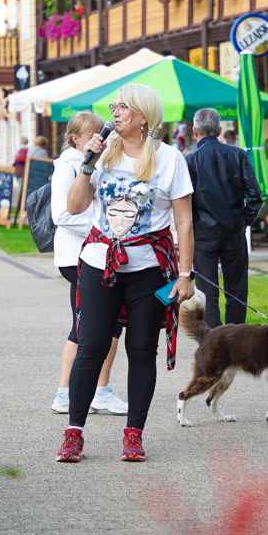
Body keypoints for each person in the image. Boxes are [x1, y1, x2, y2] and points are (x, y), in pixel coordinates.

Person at [57, 83, 195, 463]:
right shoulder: (101, 155)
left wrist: (186, 274)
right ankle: (74, 433)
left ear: (143, 117)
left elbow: (184, 221)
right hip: (100, 264)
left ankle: (134, 434)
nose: (114, 113)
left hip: (149, 269)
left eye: (123, 107)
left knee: (140, 349)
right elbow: (75, 205)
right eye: (114, 107)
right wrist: (87, 164)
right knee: (91, 347)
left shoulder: (170, 160)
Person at [50, 111, 127, 416]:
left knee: (109, 325)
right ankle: (66, 392)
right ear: (76, 139)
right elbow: (63, 215)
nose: (102, 141)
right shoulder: (68, 166)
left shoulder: (98, 161)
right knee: (85, 326)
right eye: (95, 136)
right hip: (79, 255)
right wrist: (106, 227)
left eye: (104, 135)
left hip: (98, 252)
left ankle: (99, 390)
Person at [186, 108, 262, 328]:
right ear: (219, 130)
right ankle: (235, 339)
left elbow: (185, 202)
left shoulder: (190, 160)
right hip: (234, 232)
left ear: (194, 131)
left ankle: (213, 342)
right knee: (236, 290)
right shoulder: (237, 155)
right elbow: (255, 197)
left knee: (207, 291)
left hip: (203, 235)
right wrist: (243, 220)